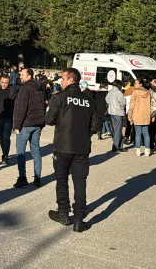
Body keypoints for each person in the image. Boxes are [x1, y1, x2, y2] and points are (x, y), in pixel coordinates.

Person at [45, 68, 97, 233]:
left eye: (63, 79)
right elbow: (96, 125)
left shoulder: (59, 98)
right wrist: (84, 133)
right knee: (80, 182)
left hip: (63, 146)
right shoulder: (89, 101)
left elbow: (49, 119)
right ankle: (79, 219)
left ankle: (64, 213)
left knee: (62, 180)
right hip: (81, 147)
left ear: (70, 79)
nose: (61, 81)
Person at [13, 68, 46, 188]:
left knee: (20, 152)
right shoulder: (40, 87)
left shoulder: (25, 88)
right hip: (37, 123)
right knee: (36, 150)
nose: (20, 76)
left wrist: (17, 125)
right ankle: (38, 178)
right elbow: (44, 104)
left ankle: (22, 178)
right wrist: (42, 122)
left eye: (22, 75)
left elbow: (21, 108)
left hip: (26, 124)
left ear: (29, 76)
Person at [128, 79, 153, 157]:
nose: (134, 84)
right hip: (146, 114)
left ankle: (138, 150)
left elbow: (132, 105)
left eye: (136, 83)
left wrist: (130, 115)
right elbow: (151, 104)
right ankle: (147, 150)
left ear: (141, 84)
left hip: (137, 114)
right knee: (146, 133)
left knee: (138, 133)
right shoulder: (148, 93)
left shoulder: (135, 93)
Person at [106, 80, 127, 153]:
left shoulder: (110, 92)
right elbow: (123, 103)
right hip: (118, 112)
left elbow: (107, 100)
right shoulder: (119, 93)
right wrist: (120, 106)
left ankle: (119, 146)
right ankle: (116, 146)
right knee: (118, 130)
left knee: (115, 129)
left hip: (111, 112)